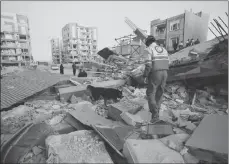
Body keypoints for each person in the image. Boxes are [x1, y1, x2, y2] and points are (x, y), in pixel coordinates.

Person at [142, 35, 169, 122]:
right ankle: (157, 112)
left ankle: (155, 116)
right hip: (165, 72)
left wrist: (145, 76)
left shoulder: (148, 49)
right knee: (160, 93)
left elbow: (149, 65)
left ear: (148, 43)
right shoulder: (163, 49)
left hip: (155, 73)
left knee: (150, 93)